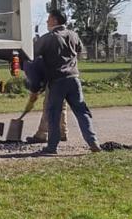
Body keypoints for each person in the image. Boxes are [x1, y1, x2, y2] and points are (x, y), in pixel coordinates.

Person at [35, 8, 101, 154]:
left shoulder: (48, 38)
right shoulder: (73, 35)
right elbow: (79, 50)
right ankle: (93, 142)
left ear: (55, 20)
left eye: (49, 18)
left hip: (57, 80)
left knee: (54, 114)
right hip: (74, 79)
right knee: (82, 111)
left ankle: (52, 147)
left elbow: (34, 55)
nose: (47, 21)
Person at [23, 47, 68, 144]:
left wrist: (34, 93)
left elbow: (35, 80)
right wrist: (38, 91)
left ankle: (42, 135)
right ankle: (62, 133)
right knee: (61, 106)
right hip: (67, 76)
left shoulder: (27, 62)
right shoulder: (39, 56)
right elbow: (42, 77)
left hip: (54, 79)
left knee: (48, 106)